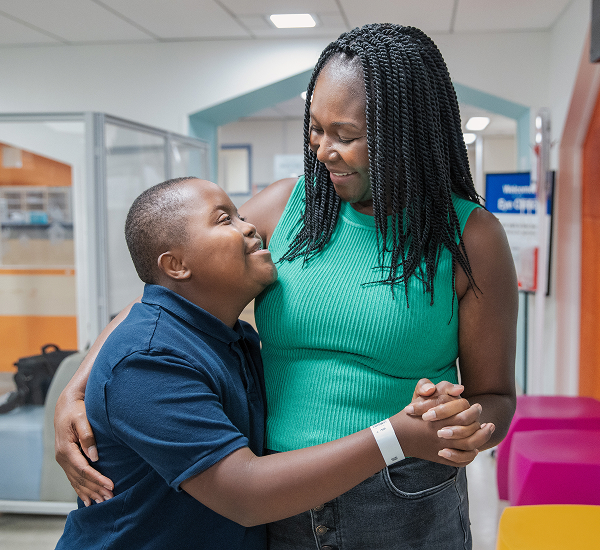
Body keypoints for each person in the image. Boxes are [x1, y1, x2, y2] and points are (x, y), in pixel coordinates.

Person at [55, 23, 518, 549]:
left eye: (345, 136)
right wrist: (77, 387)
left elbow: (495, 395)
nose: (323, 151)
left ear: (405, 134)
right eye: (315, 130)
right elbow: (162, 297)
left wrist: (465, 428)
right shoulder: (285, 208)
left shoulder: (470, 238)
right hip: (278, 493)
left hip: (402, 498)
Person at [55, 177, 492, 550]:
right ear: (177, 264)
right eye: (226, 219)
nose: (253, 228)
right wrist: (397, 436)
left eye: (241, 215)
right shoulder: (149, 361)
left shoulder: (231, 338)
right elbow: (244, 493)